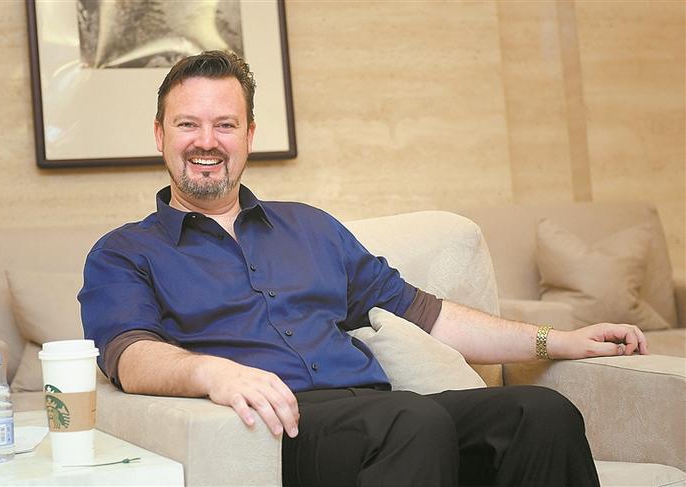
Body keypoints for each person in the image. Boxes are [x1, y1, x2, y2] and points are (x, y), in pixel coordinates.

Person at [79, 50, 648, 487]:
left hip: (382, 412)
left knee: (539, 412)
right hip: (278, 429)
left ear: (249, 135)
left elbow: (428, 315)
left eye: (225, 125)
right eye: (188, 125)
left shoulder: (310, 228)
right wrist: (213, 374)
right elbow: (129, 356)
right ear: (160, 134)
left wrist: (559, 340)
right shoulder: (125, 252)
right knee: (410, 421)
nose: (207, 142)